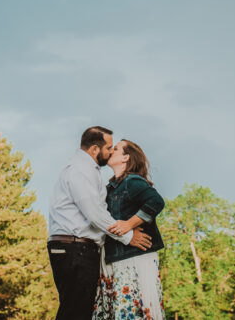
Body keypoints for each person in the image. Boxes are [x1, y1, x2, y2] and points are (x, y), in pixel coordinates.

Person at [48, 126, 153, 320]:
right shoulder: (80, 171)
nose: (111, 151)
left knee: (76, 308)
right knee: (76, 311)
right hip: (74, 248)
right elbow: (95, 213)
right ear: (95, 149)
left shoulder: (86, 170)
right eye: (109, 147)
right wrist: (128, 236)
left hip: (73, 248)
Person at [94, 139, 165, 320]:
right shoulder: (109, 188)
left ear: (126, 157)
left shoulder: (132, 181)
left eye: (115, 149)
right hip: (114, 260)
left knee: (136, 310)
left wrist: (129, 225)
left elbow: (156, 202)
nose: (110, 151)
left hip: (135, 259)